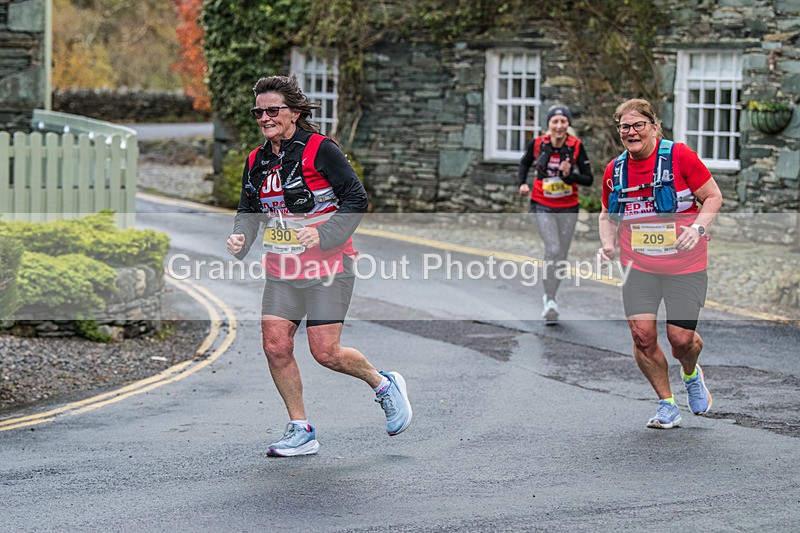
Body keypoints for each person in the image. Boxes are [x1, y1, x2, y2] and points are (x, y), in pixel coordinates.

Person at [226, 75, 412, 456]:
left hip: (329, 266)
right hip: (283, 270)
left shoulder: (320, 149)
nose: (264, 117)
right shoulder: (256, 161)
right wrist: (241, 236)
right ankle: (301, 429)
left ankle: (383, 384)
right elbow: (249, 210)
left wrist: (323, 233)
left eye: (272, 110)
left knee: (325, 352)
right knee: (275, 346)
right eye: (258, 112)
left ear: (294, 112)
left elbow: (356, 198)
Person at [597, 98, 722, 429]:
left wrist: (697, 229)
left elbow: (713, 196)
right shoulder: (615, 170)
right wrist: (608, 245)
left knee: (681, 340)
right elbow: (607, 215)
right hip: (639, 267)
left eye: (639, 125)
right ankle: (667, 403)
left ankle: (691, 373)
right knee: (642, 336)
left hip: (685, 265)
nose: (632, 132)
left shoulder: (679, 156)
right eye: (625, 127)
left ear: (654, 127)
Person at [518, 104, 594, 323]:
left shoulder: (576, 146)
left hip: (568, 207)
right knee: (553, 248)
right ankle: (549, 299)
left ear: (568, 124)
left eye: (563, 121)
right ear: (548, 124)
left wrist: (570, 177)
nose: (559, 126)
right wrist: (523, 183)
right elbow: (524, 164)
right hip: (542, 204)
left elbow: (588, 178)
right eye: (555, 122)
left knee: (561, 256)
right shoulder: (538, 144)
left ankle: (552, 297)